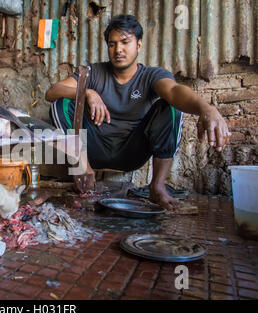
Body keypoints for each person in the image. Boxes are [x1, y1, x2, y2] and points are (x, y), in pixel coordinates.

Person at [45, 15, 231, 210]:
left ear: (139, 45)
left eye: (125, 42)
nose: (118, 50)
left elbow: (175, 92)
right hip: (92, 149)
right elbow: (52, 92)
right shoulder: (95, 72)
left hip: (131, 151)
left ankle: (157, 187)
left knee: (171, 108)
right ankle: (83, 171)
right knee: (61, 103)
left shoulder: (151, 75)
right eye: (112, 44)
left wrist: (206, 109)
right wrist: (87, 92)